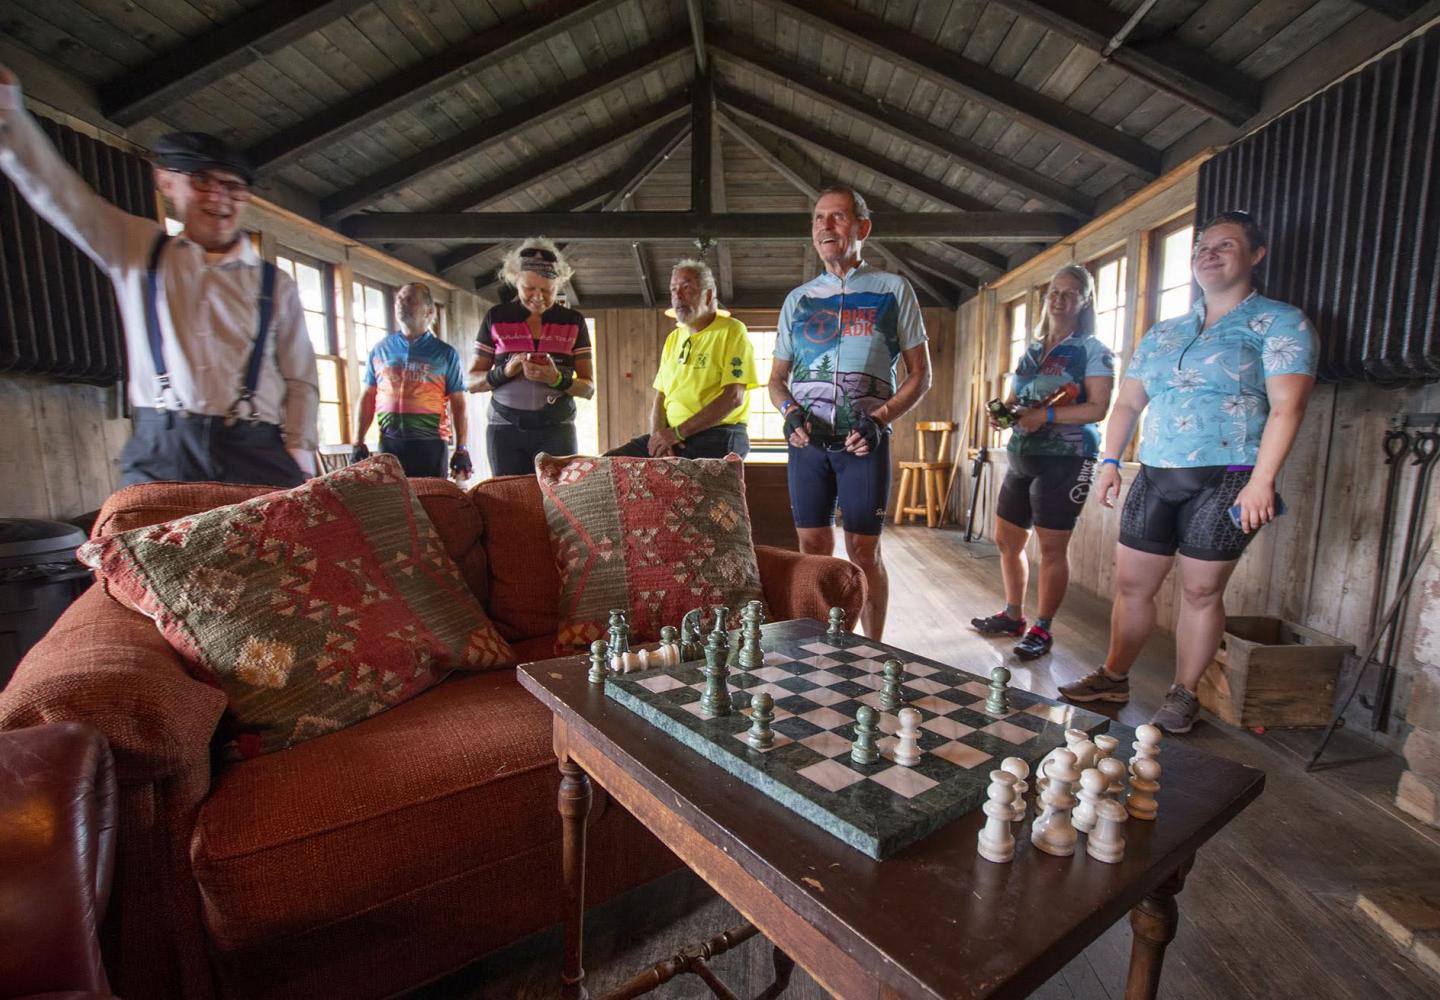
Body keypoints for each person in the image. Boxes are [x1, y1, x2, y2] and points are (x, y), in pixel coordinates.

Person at [1060, 211, 1317, 734]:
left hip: (1229, 474)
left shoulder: (1279, 321)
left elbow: (1288, 406)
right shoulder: (1164, 332)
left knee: (1201, 593)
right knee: (1132, 585)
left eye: (1226, 245)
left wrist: (1261, 480)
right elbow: (1129, 403)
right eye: (1203, 245)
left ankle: (1183, 693)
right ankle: (1114, 675)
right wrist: (1110, 462)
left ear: (1256, 256)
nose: (1209, 253)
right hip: (1155, 472)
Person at [0, 64, 318, 487]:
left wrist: (299, 453)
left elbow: (300, 378)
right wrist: (9, 111)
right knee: (142, 548)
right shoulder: (137, 248)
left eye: (233, 187)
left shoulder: (274, 284)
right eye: (203, 181)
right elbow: (61, 196)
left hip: (254, 448)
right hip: (162, 446)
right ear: (168, 182)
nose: (219, 197)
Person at [769, 186, 931, 640]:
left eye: (837, 217)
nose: (825, 226)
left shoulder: (893, 291)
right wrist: (789, 412)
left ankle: (873, 650)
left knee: (864, 550)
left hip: (865, 441)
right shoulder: (798, 301)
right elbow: (777, 380)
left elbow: (921, 374)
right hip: (808, 445)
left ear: (862, 228)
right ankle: (821, 644)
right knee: (813, 547)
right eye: (819, 218)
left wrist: (880, 418)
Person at [972, 265, 1114, 660]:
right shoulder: (1032, 351)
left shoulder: (1092, 350)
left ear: (1085, 301)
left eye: (1071, 293)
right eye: (1055, 291)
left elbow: (1098, 408)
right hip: (1022, 455)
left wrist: (1047, 417)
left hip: (1068, 458)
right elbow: (1017, 400)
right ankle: (1013, 614)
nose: (1060, 298)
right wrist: (1004, 413)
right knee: (1007, 540)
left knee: (1052, 549)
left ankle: (1043, 628)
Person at [606, 260, 758, 459]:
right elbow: (661, 397)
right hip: (673, 435)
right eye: (673, 289)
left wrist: (676, 434)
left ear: (709, 294)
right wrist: (657, 440)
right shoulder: (674, 339)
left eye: (686, 288)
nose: (677, 296)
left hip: (717, 433)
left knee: (685, 480)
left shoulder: (731, 330)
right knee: (609, 463)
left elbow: (734, 397)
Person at [467, 239, 594, 476]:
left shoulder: (573, 321)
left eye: (548, 290)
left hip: (557, 427)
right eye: (529, 288)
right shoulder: (496, 317)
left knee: (559, 501)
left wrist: (557, 379)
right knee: (509, 500)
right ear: (515, 280)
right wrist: (505, 371)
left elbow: (588, 388)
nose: (538, 297)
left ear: (559, 284)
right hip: (505, 429)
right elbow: (471, 382)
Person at [350, 282, 470, 479]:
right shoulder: (380, 349)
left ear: (429, 311)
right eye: (399, 299)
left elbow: (459, 403)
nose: (401, 304)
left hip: (430, 444)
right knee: (394, 505)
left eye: (409, 300)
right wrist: (358, 441)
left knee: (430, 503)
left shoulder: (445, 353)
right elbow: (368, 396)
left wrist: (461, 448)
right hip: (389, 443)